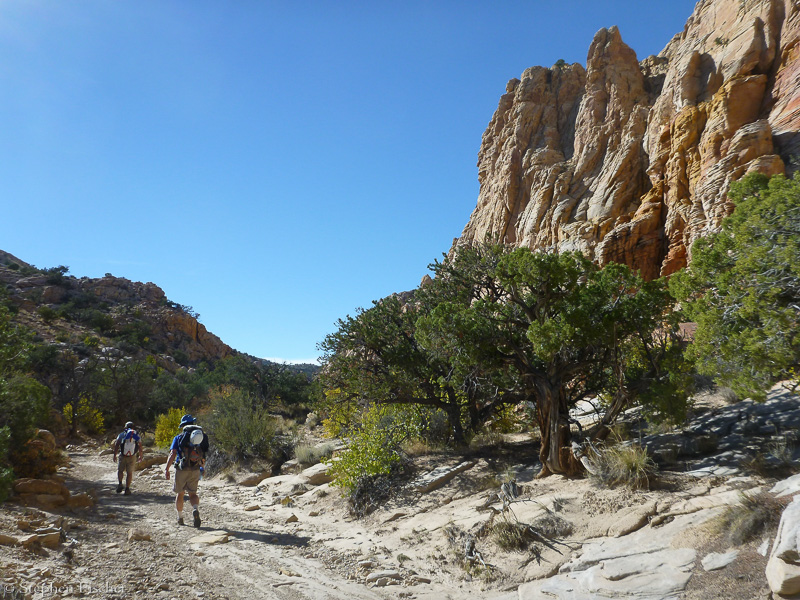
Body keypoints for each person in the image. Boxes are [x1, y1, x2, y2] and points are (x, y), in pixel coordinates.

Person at [164, 414, 209, 527]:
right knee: (193, 494)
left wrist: (167, 468)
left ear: (183, 425)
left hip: (182, 469)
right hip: (195, 468)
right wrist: (202, 468)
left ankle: (180, 517)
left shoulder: (179, 438)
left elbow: (173, 453)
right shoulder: (200, 438)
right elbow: (203, 454)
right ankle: (195, 509)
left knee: (180, 493)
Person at [113, 421, 143, 495]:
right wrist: (140, 456)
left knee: (120, 470)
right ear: (133, 427)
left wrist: (114, 455)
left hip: (123, 455)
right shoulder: (136, 435)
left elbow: (117, 445)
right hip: (132, 456)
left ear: (125, 427)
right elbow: (140, 446)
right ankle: (127, 489)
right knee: (129, 473)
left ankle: (120, 484)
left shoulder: (122, 434)